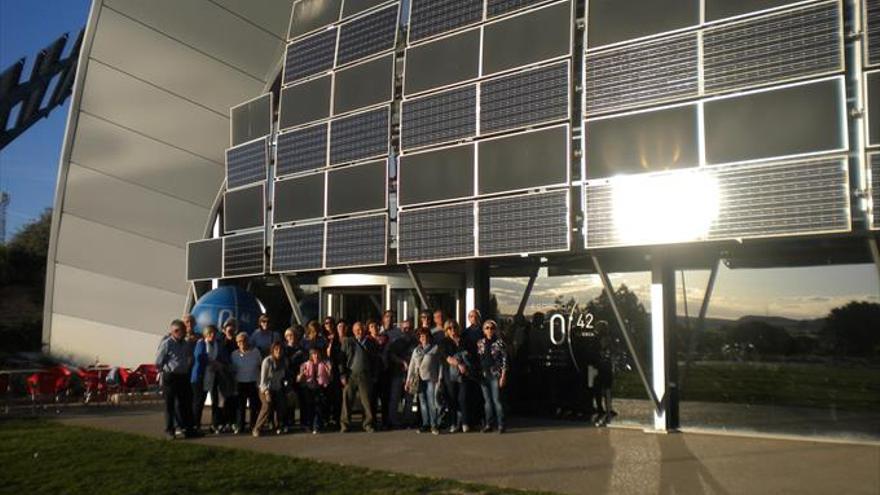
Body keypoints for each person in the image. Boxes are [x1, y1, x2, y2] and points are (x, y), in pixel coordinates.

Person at [155, 319, 199, 439]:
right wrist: (163, 372)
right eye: (182, 331)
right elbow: (158, 361)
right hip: (171, 376)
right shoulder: (167, 343)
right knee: (169, 405)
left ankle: (188, 428)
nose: (185, 333)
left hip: (183, 376)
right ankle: (170, 430)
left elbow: (189, 356)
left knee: (185, 403)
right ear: (175, 331)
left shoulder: (185, 343)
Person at [339, 321, 378, 433]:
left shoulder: (370, 343)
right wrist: (342, 374)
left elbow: (375, 360)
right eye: (356, 330)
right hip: (350, 374)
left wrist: (374, 374)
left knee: (367, 401)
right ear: (353, 331)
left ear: (364, 330)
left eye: (360, 329)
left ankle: (368, 424)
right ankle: (345, 425)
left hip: (365, 375)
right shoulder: (348, 342)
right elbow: (341, 359)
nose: (359, 331)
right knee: (347, 400)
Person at [191, 325, 227, 433]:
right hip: (200, 377)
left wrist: (221, 364)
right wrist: (212, 363)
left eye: (214, 333)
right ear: (205, 334)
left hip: (214, 376)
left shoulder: (218, 345)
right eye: (210, 333)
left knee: (216, 401)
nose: (212, 335)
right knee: (199, 402)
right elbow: (199, 356)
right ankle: (195, 425)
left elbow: (222, 357)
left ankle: (215, 424)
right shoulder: (201, 343)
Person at [406, 327, 441, 435]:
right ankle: (425, 424)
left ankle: (434, 425)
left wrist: (440, 379)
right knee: (423, 403)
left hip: (431, 379)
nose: (423, 338)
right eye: (421, 336)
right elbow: (411, 366)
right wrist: (408, 381)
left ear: (429, 337)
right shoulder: (416, 350)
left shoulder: (435, 349)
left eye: (425, 336)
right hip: (419, 379)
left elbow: (440, 365)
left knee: (432, 402)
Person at [440, 319, 473, 433]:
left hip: (464, 374)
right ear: (446, 330)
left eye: (454, 327)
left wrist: (466, 365)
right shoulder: (444, 342)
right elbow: (447, 358)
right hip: (450, 374)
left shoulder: (464, 340)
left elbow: (470, 354)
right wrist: (459, 364)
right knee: (452, 399)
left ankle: (465, 422)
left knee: (463, 399)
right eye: (449, 328)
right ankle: (453, 423)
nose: (452, 330)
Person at [477, 319, 508, 433]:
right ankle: (488, 424)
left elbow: (505, 360)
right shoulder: (480, 343)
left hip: (495, 374)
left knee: (497, 400)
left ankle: (501, 424)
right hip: (484, 375)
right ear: (484, 330)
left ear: (495, 330)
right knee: (487, 401)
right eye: (487, 328)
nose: (489, 330)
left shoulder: (499, 343)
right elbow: (479, 358)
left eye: (492, 328)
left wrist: (503, 375)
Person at [387, 317, 416, 429]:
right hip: (398, 373)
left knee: (410, 399)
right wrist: (402, 362)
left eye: (409, 328)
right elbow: (391, 355)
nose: (407, 330)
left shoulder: (416, 341)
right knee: (395, 398)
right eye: (405, 328)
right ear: (401, 329)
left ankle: (407, 420)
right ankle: (393, 421)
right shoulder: (397, 342)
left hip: (412, 374)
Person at [253, 342, 288, 436]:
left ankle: (278, 426)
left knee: (282, 404)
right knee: (267, 405)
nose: (279, 351)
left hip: (278, 388)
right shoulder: (267, 361)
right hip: (264, 388)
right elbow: (262, 381)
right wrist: (267, 392)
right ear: (272, 350)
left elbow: (284, 377)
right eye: (276, 349)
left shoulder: (284, 361)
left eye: (280, 349)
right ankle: (257, 428)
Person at [230, 331, 262, 434]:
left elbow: (260, 366)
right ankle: (240, 426)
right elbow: (233, 371)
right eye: (239, 341)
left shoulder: (256, 352)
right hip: (240, 383)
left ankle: (253, 425)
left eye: (243, 341)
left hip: (253, 382)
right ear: (237, 343)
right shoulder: (234, 354)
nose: (241, 343)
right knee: (240, 407)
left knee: (254, 406)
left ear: (248, 341)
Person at [297, 347, 333, 434]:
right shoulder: (304, 365)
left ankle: (316, 426)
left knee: (319, 407)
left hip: (321, 388)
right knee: (310, 407)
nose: (316, 356)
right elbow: (298, 379)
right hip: (309, 388)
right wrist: (302, 374)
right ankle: (309, 425)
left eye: (317, 354)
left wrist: (329, 372)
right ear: (310, 355)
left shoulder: (325, 363)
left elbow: (331, 379)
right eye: (313, 354)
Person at [283, 327, 307, 430]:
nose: (290, 337)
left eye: (292, 335)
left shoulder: (301, 349)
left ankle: (304, 422)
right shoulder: (284, 349)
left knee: (303, 399)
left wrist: (301, 374)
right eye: (288, 336)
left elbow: (305, 362)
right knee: (290, 401)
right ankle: (289, 422)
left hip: (300, 377)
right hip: (288, 377)